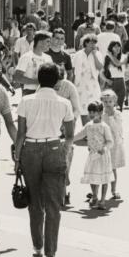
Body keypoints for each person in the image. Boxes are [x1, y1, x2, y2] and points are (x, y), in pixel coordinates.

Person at [15, 63, 74, 257]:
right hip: (54, 148)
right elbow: (70, 135)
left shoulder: (25, 101)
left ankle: (37, 246)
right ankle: (51, 254)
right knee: (54, 205)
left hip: (30, 149)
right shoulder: (64, 103)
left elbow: (20, 133)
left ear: (38, 79)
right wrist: (65, 154)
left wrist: (17, 157)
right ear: (57, 81)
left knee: (35, 202)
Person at [73, 101, 114, 210]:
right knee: (92, 177)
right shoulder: (89, 125)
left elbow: (110, 141)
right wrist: (69, 139)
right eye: (90, 112)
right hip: (92, 155)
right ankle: (95, 195)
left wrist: (104, 149)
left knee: (104, 178)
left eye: (94, 112)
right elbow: (80, 135)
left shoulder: (104, 126)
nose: (91, 114)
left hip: (102, 155)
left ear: (100, 112)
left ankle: (102, 200)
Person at [54, 65, 81, 206]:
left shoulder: (69, 87)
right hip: (51, 128)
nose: (57, 85)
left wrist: (69, 121)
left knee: (66, 155)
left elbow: (77, 109)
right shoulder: (44, 85)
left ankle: (63, 189)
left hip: (67, 126)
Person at [72, 34, 104, 125]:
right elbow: (73, 70)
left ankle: (94, 127)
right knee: (82, 107)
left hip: (92, 84)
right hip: (80, 83)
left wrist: (94, 55)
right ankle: (85, 128)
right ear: (85, 43)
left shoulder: (98, 54)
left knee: (93, 106)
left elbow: (100, 67)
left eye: (94, 43)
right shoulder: (78, 54)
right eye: (90, 43)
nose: (93, 45)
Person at [101, 89, 125, 200]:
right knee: (100, 168)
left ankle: (113, 190)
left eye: (110, 102)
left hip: (114, 144)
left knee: (112, 168)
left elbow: (118, 129)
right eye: (105, 102)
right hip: (103, 144)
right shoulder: (101, 114)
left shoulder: (117, 114)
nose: (108, 104)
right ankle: (98, 192)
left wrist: (111, 117)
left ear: (114, 102)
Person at [14, 31, 53, 96]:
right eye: (48, 41)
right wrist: (37, 82)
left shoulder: (49, 58)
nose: (50, 44)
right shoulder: (26, 57)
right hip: (30, 92)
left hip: (46, 92)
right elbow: (17, 77)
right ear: (40, 42)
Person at [103, 41, 127, 111]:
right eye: (115, 46)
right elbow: (101, 72)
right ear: (111, 48)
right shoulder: (107, 59)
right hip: (111, 82)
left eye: (118, 46)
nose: (117, 48)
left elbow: (118, 64)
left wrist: (110, 55)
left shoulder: (124, 57)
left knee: (119, 107)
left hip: (121, 82)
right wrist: (106, 80)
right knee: (110, 108)